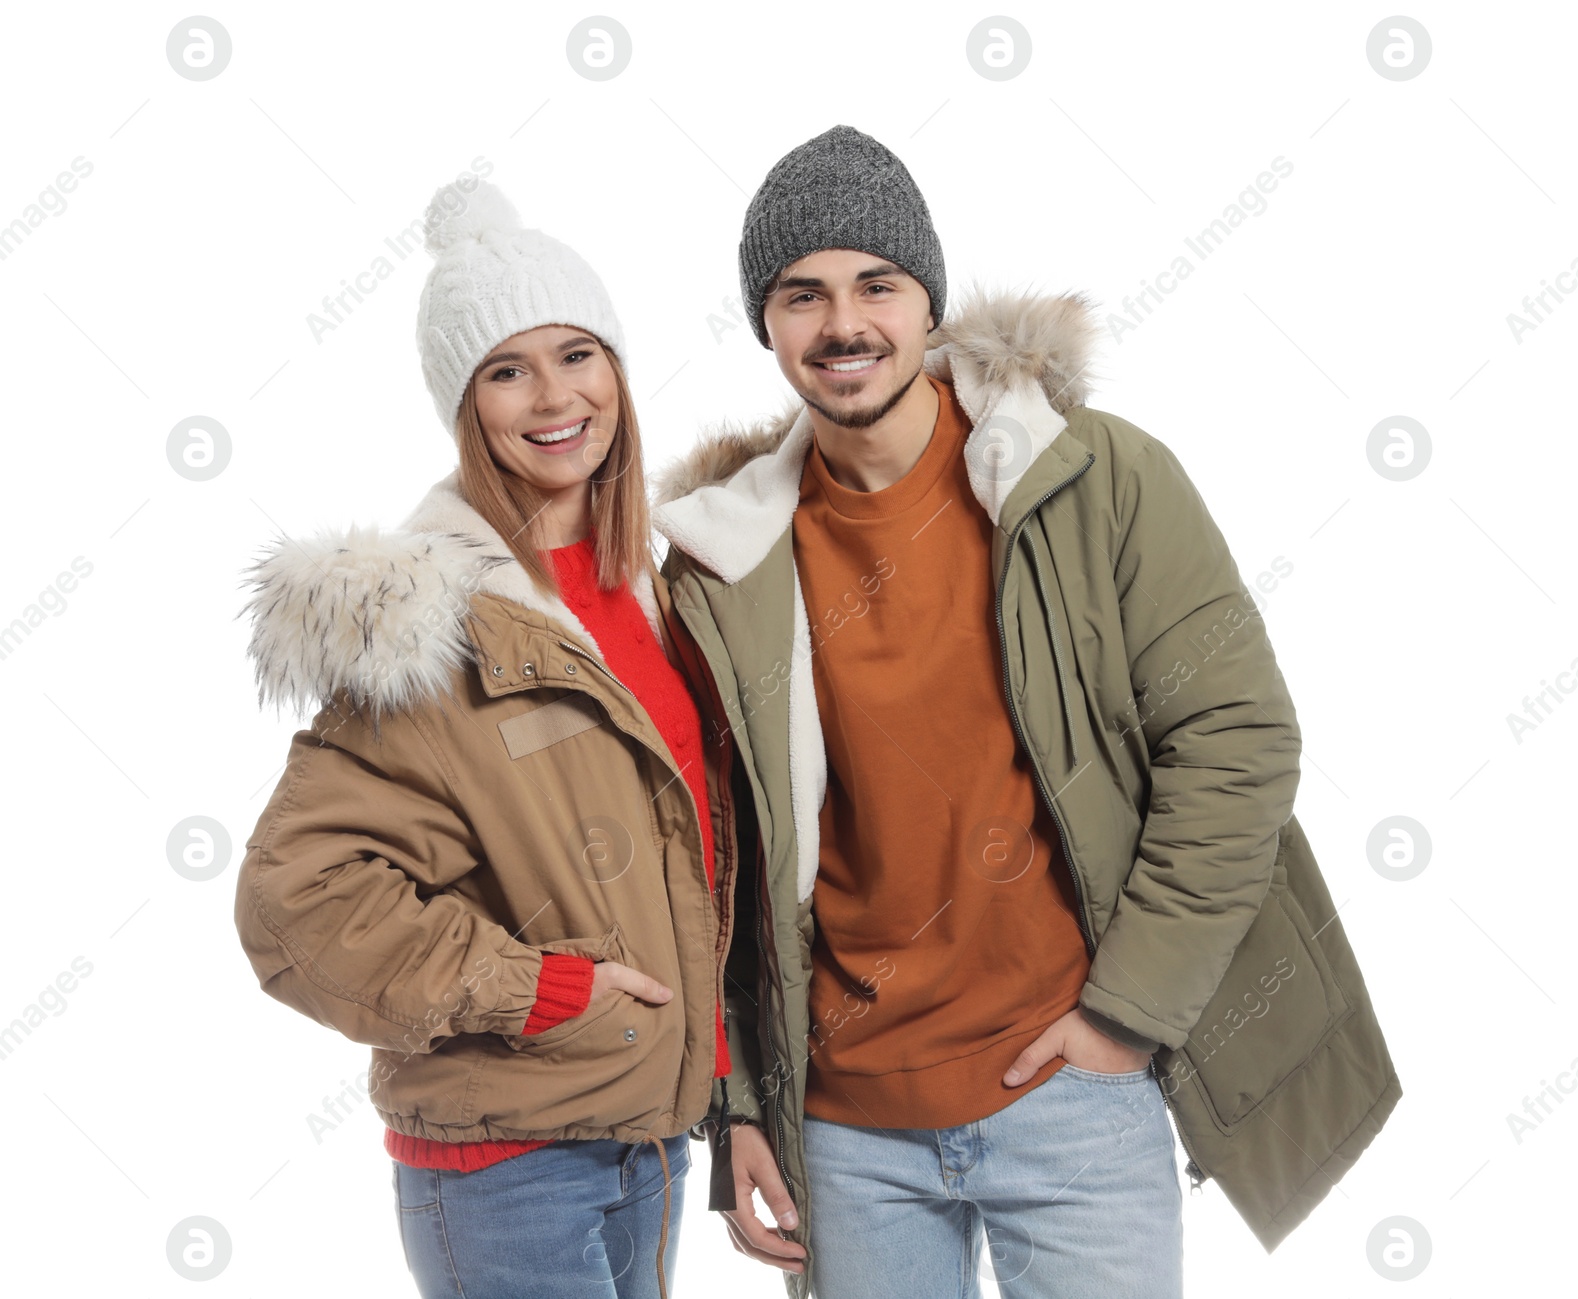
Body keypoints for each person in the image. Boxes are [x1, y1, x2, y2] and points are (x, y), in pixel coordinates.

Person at [651, 125, 1402, 1298]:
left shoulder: (1090, 480)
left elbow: (1236, 741)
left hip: (1069, 1090)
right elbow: (718, 864)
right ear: (766, 324)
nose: (842, 324)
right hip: (845, 1129)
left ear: (928, 303)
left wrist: (1125, 1018)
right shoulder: (720, 562)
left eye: (875, 286)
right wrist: (742, 1104)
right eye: (801, 295)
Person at [234, 176, 740, 1299]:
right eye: (506, 370)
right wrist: (540, 990)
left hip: (646, 1138)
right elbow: (294, 900)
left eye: (578, 354)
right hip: (508, 1164)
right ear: (464, 405)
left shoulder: (660, 589)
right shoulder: (424, 628)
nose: (554, 396)